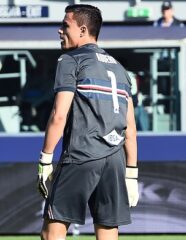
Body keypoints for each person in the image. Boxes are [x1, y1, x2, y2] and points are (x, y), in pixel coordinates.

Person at [36, 4, 139, 240]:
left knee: (51, 233)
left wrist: (45, 159)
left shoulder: (70, 60)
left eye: (65, 25)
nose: (59, 30)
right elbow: (130, 128)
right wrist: (131, 172)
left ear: (82, 30)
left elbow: (58, 115)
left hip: (81, 154)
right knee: (107, 232)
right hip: (115, 160)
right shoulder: (121, 69)